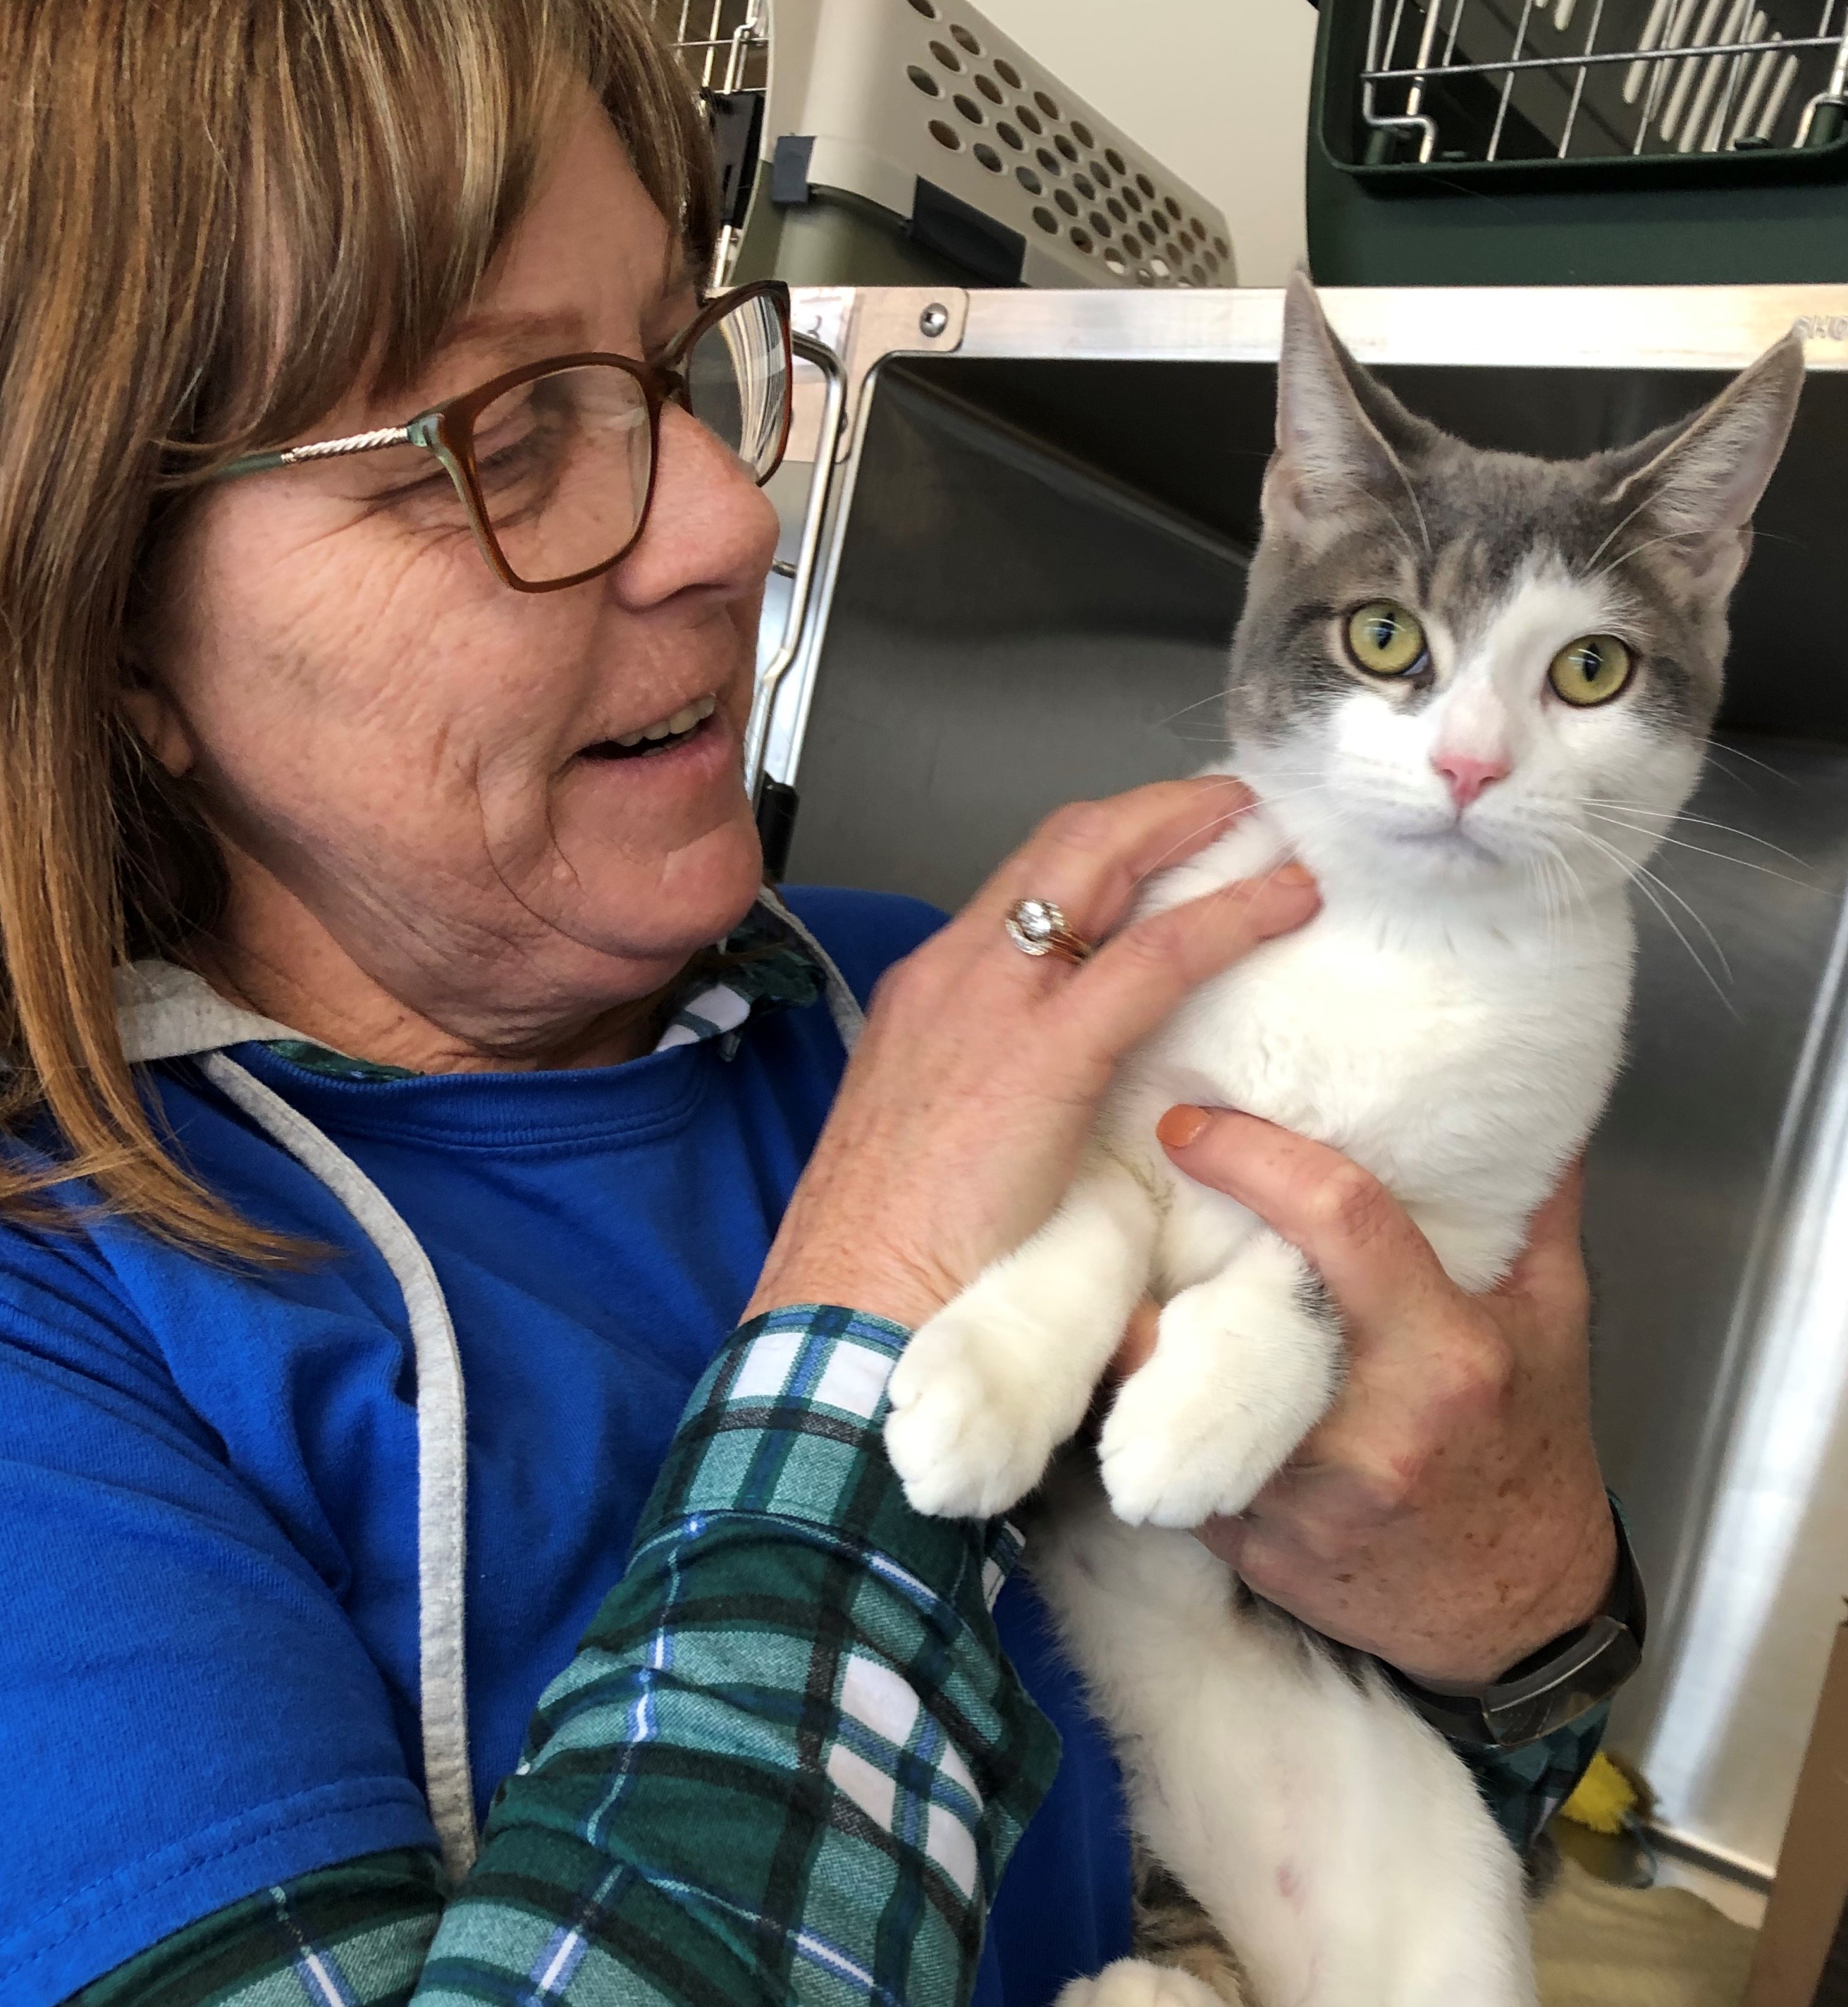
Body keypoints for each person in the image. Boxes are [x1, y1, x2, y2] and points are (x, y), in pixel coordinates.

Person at [0, 4, 1626, 2004]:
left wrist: (1529, 1625)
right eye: (499, 444)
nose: (726, 520)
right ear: (111, 634)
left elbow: (1352, 1782)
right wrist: (868, 1298)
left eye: (679, 369)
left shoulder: (910, 994)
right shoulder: (61, 1345)